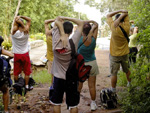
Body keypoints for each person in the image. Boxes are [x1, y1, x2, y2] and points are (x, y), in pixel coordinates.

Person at [49, 16, 85, 113]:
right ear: (71, 32)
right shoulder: (73, 41)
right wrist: (65, 17)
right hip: (71, 78)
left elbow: (56, 21)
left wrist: (61, 31)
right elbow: (81, 23)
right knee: (73, 105)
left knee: (57, 103)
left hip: (58, 77)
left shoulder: (55, 40)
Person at [106, 10, 131, 92]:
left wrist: (119, 11)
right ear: (124, 20)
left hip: (114, 54)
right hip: (125, 54)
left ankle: (113, 89)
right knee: (127, 70)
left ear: (116, 19)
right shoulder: (127, 27)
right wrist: (122, 14)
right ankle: (130, 84)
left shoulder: (113, 27)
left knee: (114, 73)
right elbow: (126, 13)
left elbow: (108, 15)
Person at [77, 21, 99, 111]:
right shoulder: (94, 39)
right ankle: (93, 104)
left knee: (79, 85)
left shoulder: (78, 38)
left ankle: (75, 102)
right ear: (91, 30)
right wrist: (91, 23)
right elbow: (96, 24)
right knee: (92, 86)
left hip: (81, 65)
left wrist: (83, 23)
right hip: (92, 64)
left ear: (82, 31)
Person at [11, 16, 32, 91]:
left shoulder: (13, 34)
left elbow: (14, 27)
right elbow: (29, 20)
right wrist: (21, 17)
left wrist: (16, 21)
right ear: (22, 24)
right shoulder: (26, 32)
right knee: (27, 71)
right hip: (25, 54)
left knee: (16, 72)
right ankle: (26, 86)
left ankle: (17, 87)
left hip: (17, 54)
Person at [0, 36, 14, 113]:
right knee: (5, 90)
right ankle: (5, 110)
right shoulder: (0, 49)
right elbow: (12, 55)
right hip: (0, 77)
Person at [44, 19, 55, 85]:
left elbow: (45, 22)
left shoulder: (48, 36)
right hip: (59, 59)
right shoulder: (60, 37)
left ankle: (52, 86)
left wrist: (54, 20)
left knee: (53, 75)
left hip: (51, 59)